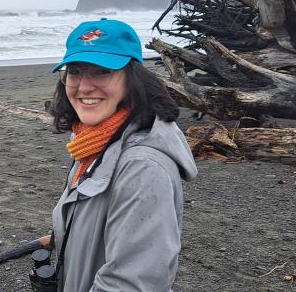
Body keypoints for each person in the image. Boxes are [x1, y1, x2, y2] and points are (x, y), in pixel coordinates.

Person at [46, 19, 198, 292]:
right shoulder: (90, 144)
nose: (84, 87)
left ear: (132, 80)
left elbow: (129, 284)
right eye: (75, 71)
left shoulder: (143, 168)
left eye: (102, 71)